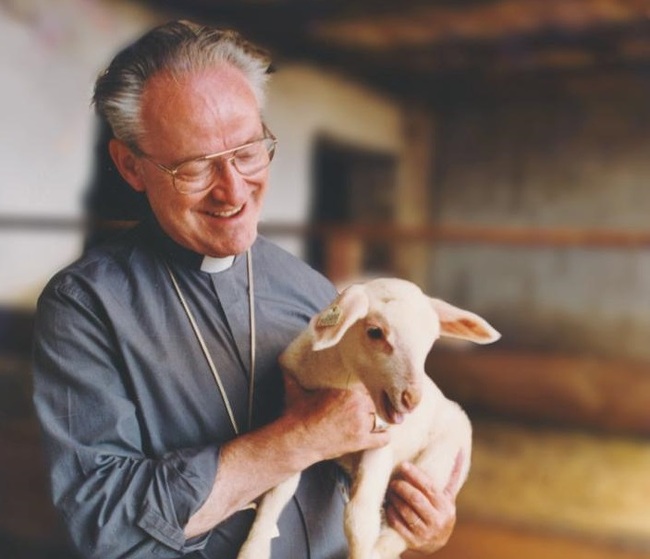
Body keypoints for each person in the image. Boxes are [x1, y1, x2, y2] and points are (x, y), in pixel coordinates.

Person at [32, 20, 460, 559]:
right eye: (194, 167)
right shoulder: (85, 308)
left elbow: (368, 457)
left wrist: (419, 522)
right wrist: (299, 438)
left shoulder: (312, 290)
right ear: (131, 166)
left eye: (248, 151)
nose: (233, 190)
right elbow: (102, 521)